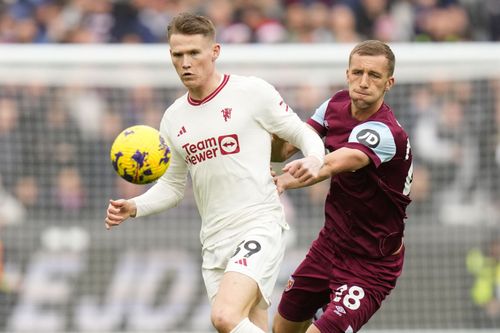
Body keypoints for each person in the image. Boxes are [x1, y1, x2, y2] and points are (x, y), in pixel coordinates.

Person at [104, 12, 325, 333]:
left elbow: (302, 133)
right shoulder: (173, 118)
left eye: (194, 52)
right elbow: (172, 187)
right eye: (178, 55)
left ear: (215, 52)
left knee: (224, 316)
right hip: (214, 242)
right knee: (249, 325)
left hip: (258, 224)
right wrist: (134, 206)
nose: (186, 62)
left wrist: (315, 159)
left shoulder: (252, 92)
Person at [271, 40, 413, 333]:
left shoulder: (386, 132)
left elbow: (333, 163)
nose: (363, 82)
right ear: (347, 74)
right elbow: (284, 150)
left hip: (370, 264)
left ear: (389, 82)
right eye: (357, 72)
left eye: (374, 75)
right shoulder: (333, 105)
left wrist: (284, 180)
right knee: (282, 328)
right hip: (329, 246)